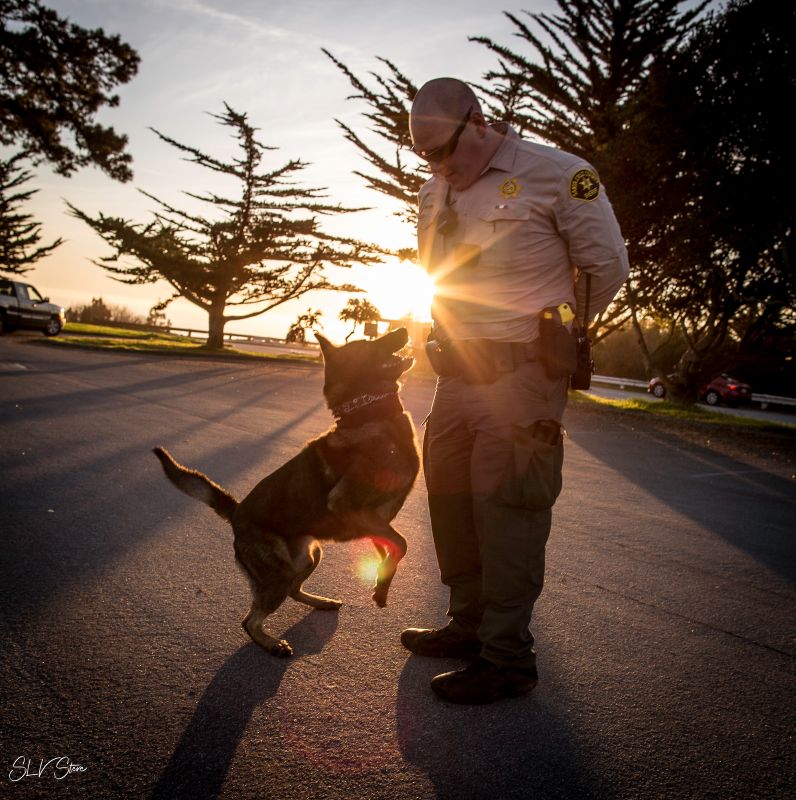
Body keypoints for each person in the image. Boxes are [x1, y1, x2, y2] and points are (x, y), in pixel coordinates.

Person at [402, 77, 629, 704]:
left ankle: (507, 658)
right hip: (459, 373)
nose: (442, 167)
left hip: (524, 374)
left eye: (447, 152)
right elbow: (436, 276)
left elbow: (607, 266)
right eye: (427, 158)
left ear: (478, 123)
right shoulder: (434, 191)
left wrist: (558, 338)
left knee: (507, 510)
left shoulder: (558, 173)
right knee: (449, 497)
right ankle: (468, 624)